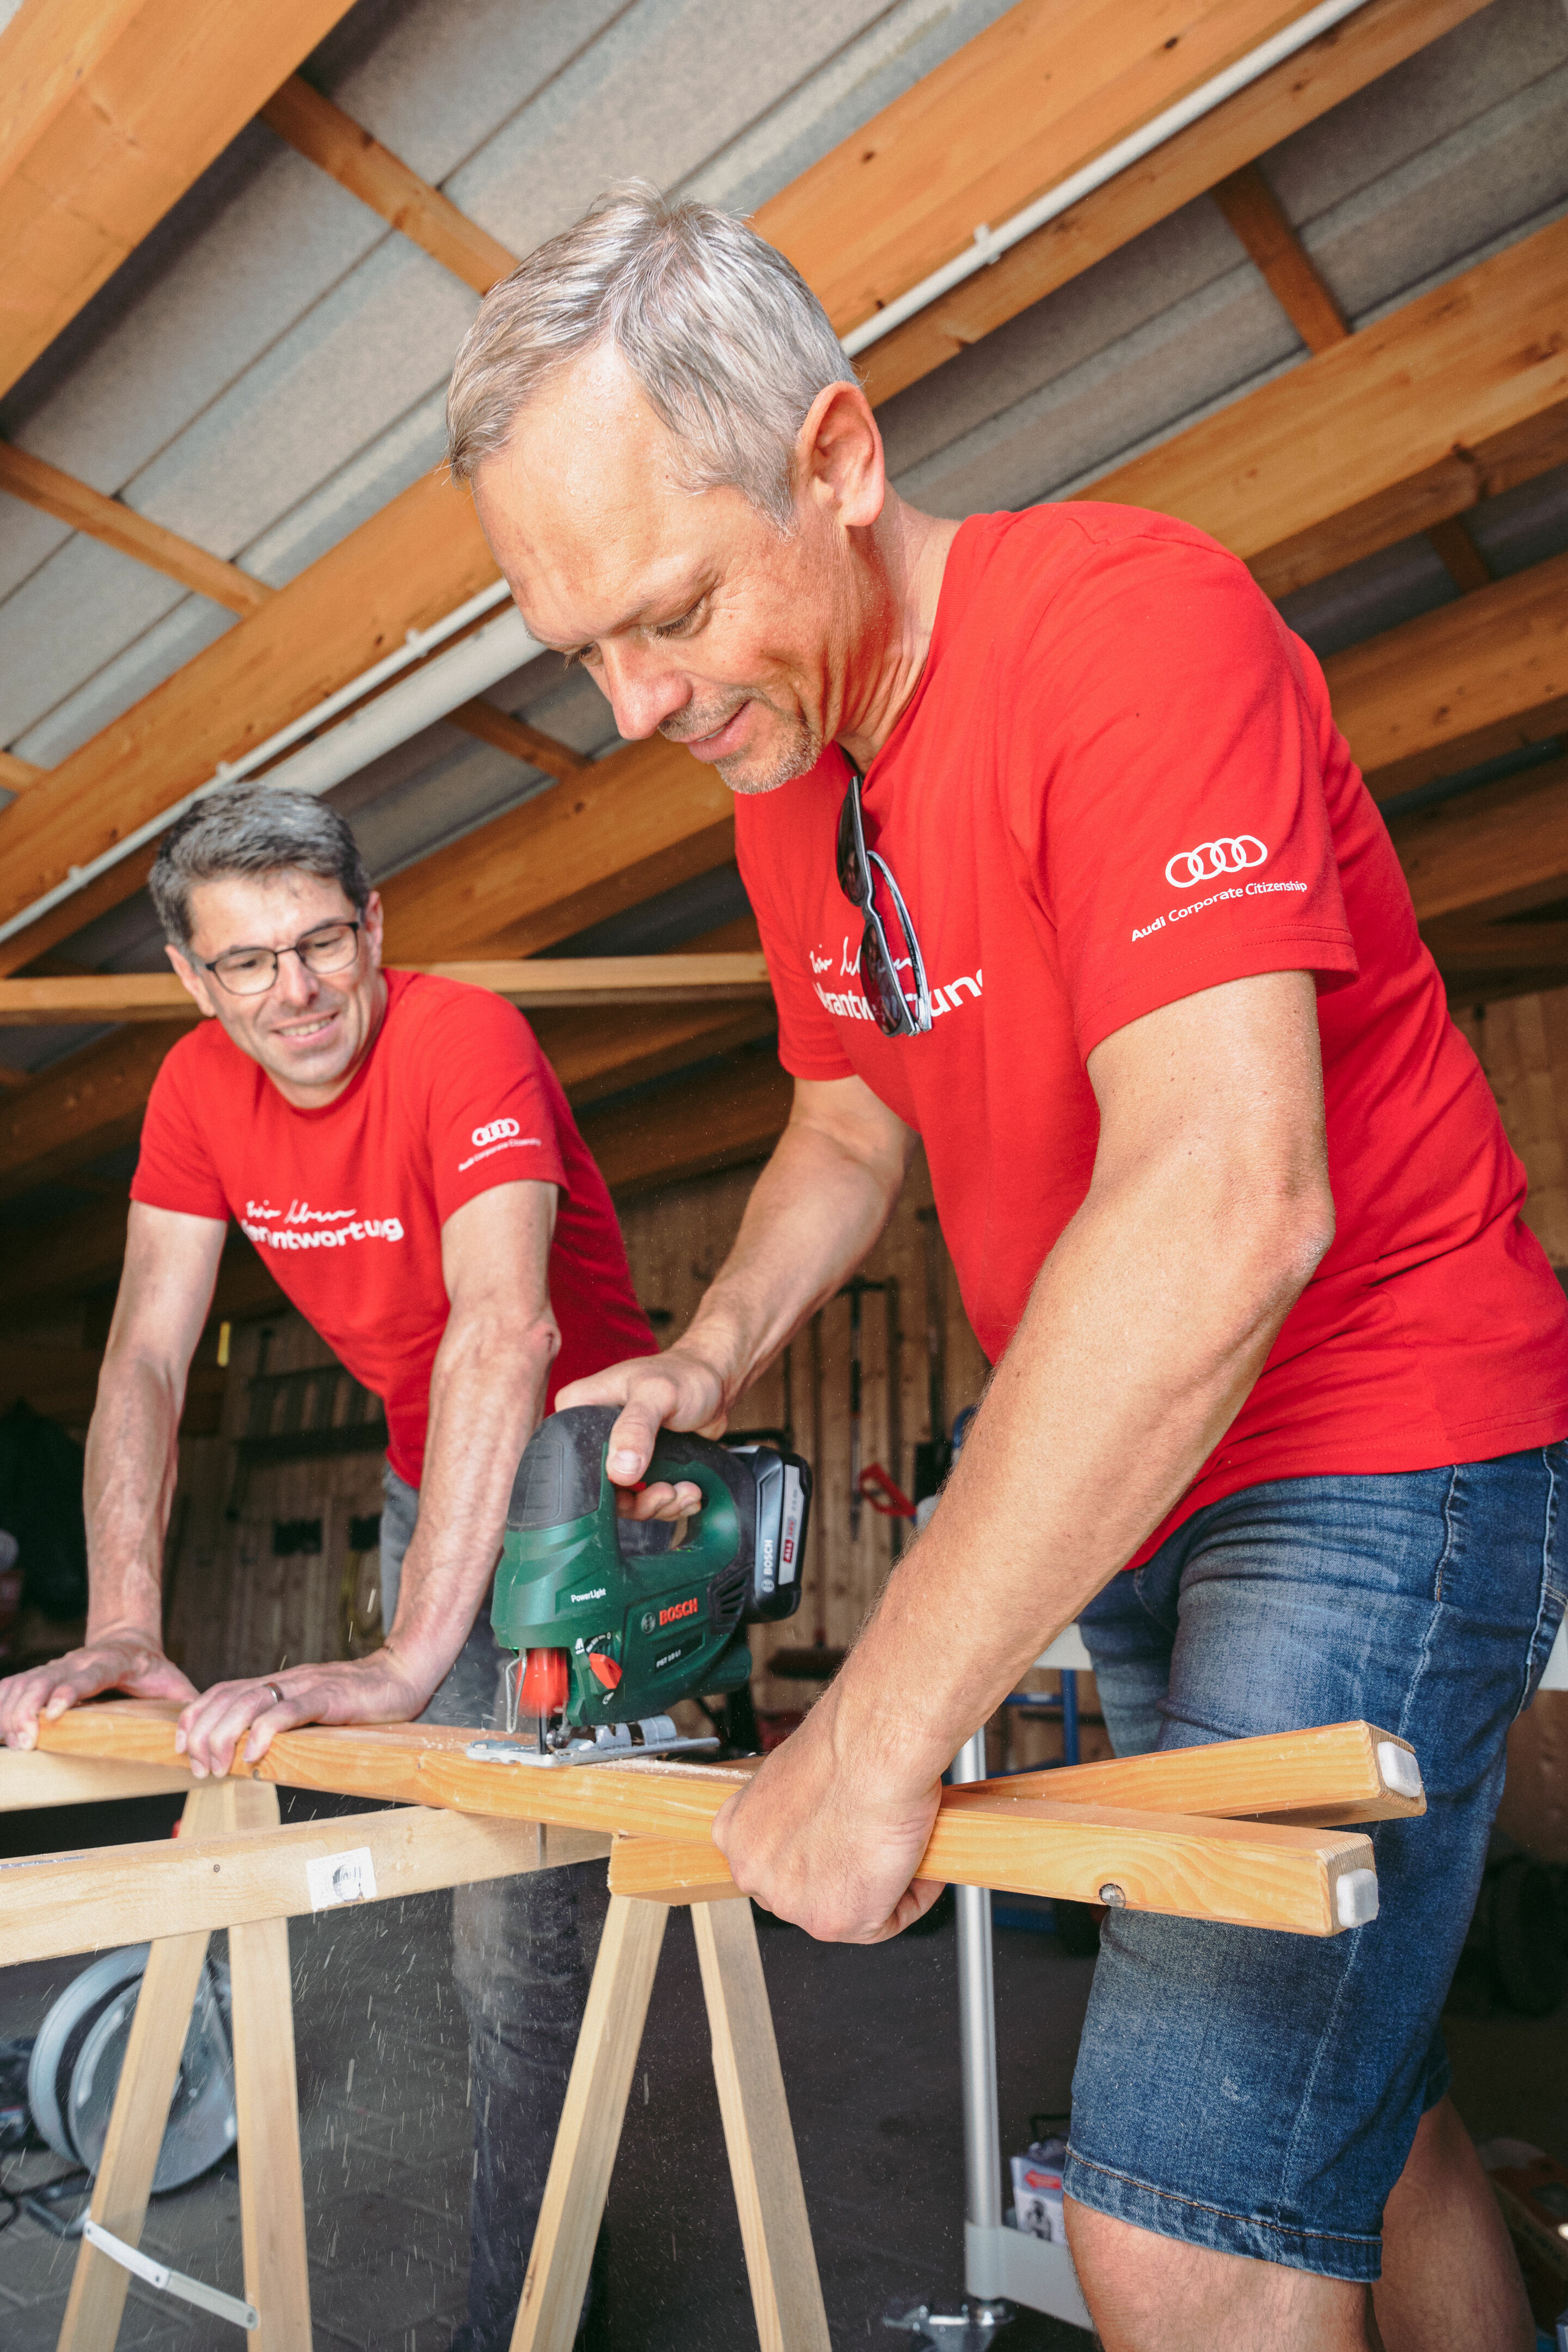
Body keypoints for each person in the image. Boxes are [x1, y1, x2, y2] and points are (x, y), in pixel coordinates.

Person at [438, 184, 1568, 2352]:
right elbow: (849, 1116)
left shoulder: (1129, 633)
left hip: (1369, 1437)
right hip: (1138, 1472)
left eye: (671, 612)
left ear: (842, 457)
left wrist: (875, 1735)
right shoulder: (789, 780)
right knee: (1354, 2107)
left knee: (1179, 2231)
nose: (635, 703)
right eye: (579, 650)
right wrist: (713, 1345)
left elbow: (1228, 1200)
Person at [0, 785, 687, 2352]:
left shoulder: (465, 1040)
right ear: (193, 978)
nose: (295, 992)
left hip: (583, 1481)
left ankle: (530, 2322)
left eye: (322, 943)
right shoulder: (193, 1091)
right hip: (425, 1471)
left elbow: (506, 1332)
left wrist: (398, 1662)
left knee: (513, 1935)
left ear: (375, 927)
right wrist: (122, 1623)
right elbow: (147, 1356)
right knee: (449, 1886)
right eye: (248, 963)